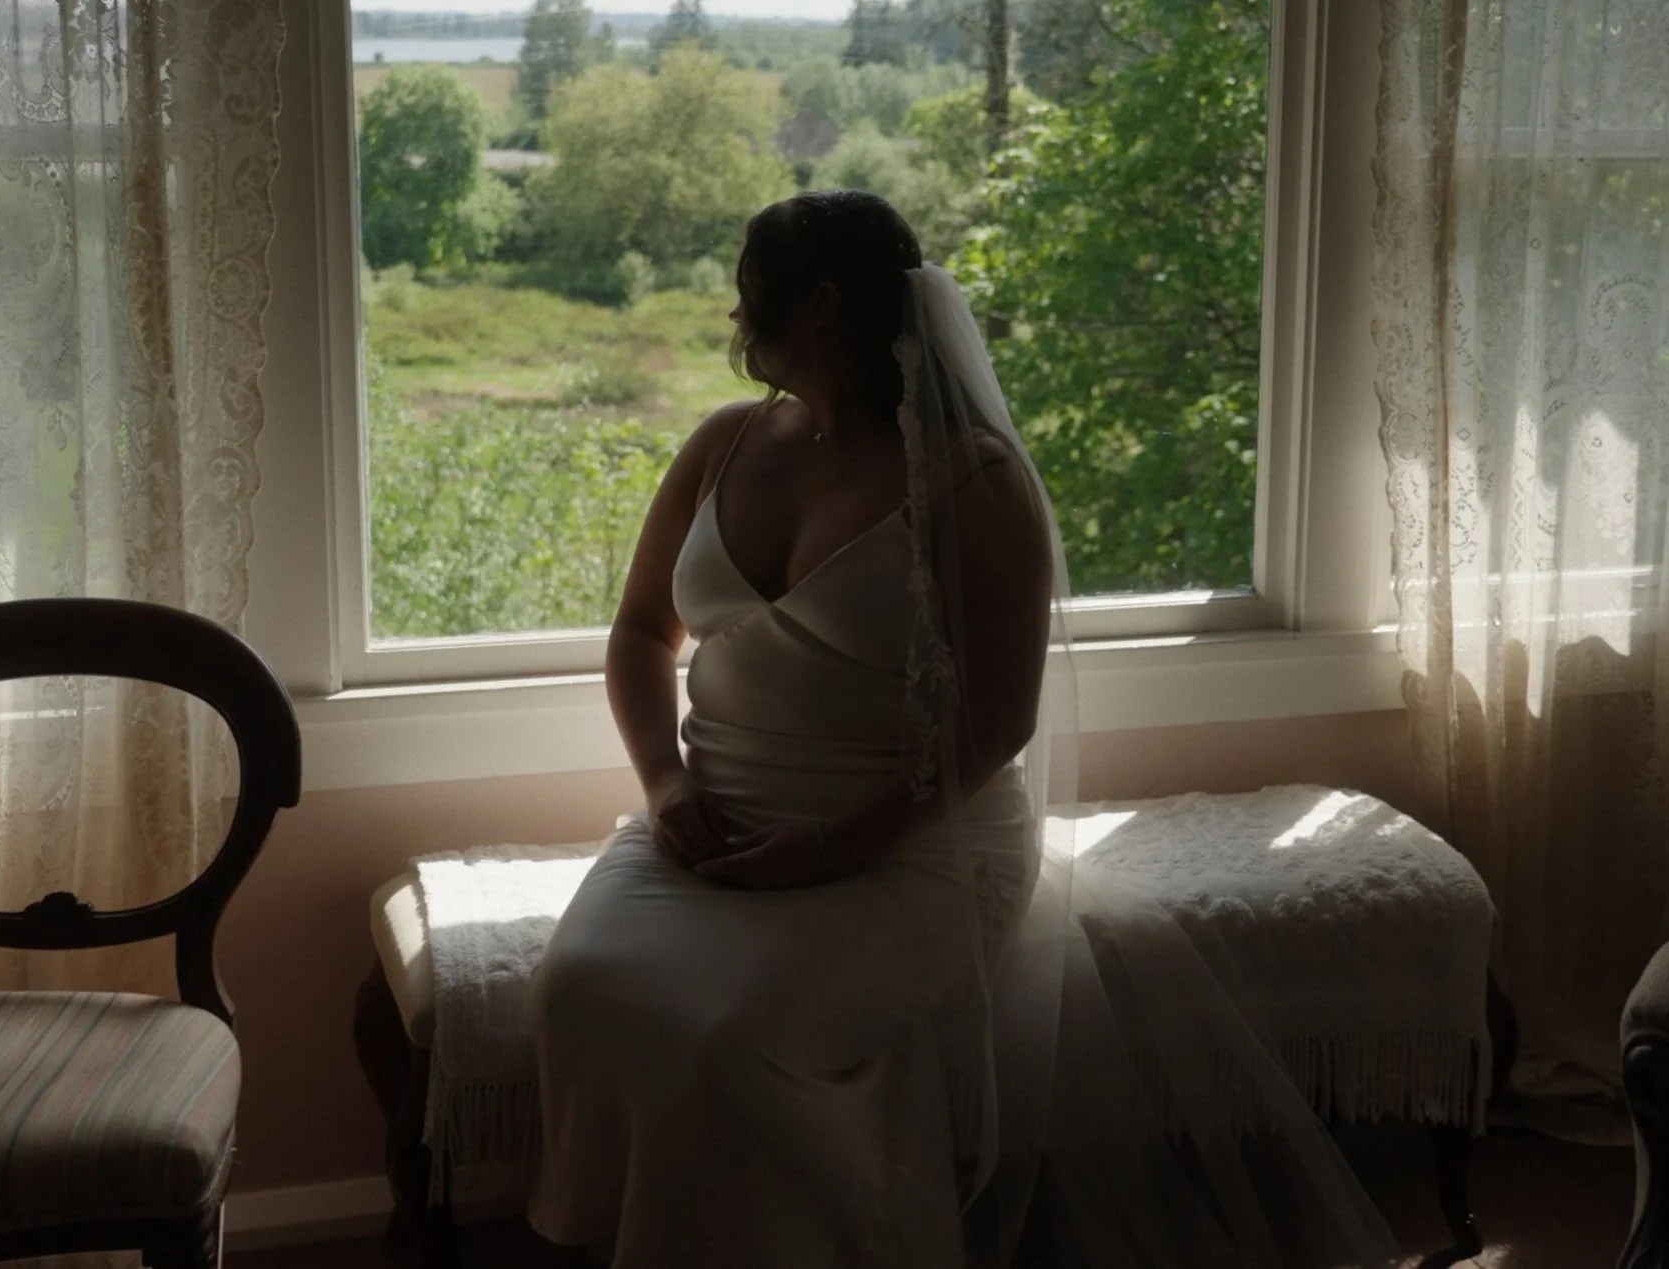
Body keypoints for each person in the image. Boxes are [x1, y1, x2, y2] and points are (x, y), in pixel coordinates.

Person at [528, 191, 1399, 1268]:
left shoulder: (975, 479)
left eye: (751, 297)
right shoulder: (724, 443)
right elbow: (638, 632)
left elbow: (1001, 718)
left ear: (824, 308)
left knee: (731, 1042)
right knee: (580, 984)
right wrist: (663, 787)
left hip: (912, 842)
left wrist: (841, 842)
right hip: (710, 819)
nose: (735, 323)